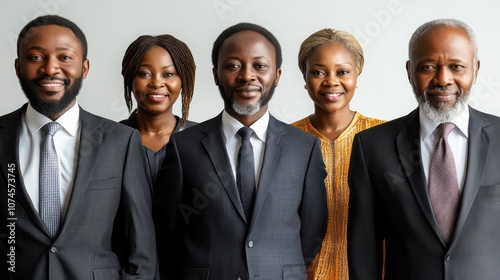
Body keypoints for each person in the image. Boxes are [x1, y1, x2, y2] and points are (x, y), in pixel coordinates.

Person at [154, 22, 328, 280]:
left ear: (277, 75)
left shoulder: (304, 148)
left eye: (260, 66)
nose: (247, 76)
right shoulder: (183, 147)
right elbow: (167, 233)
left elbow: (312, 232)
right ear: (215, 75)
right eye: (233, 66)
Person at [0, 15, 156, 279]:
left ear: (84, 68)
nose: (50, 69)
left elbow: (141, 249)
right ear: (17, 67)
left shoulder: (121, 141)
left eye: (64, 57)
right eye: (36, 57)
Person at [347, 18, 500, 279]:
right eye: (428, 67)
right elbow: (364, 249)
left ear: (475, 69)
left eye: (456, 67)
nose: (442, 79)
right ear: (410, 71)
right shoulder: (371, 146)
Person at [291, 28, 385, 280]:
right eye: (318, 72)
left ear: (357, 75)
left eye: (342, 72)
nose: (331, 81)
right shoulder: (284, 140)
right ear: (305, 77)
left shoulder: (385, 137)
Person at [120, 34, 197, 186]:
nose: (156, 83)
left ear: (183, 80)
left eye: (168, 74)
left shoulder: (203, 140)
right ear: (130, 79)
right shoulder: (112, 139)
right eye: (144, 74)